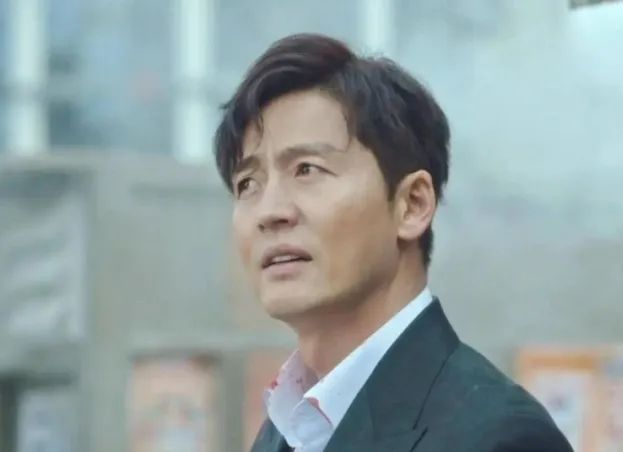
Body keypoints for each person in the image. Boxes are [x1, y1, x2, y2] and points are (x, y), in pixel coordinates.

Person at [216, 33, 573, 452]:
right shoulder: (283, 432)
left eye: (307, 169)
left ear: (412, 205)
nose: (270, 211)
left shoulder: (498, 436)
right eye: (248, 183)